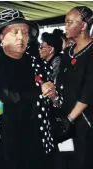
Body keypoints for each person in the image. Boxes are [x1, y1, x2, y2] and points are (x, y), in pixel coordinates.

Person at [0, 8, 59, 169]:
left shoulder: (38, 64)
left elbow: (55, 102)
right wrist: (36, 93)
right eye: (14, 32)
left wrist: (54, 96)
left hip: (37, 141)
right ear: (1, 37)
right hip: (3, 144)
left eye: (25, 32)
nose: (21, 37)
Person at [54, 6, 93, 169]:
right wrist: (54, 97)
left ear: (83, 26)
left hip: (84, 121)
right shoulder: (66, 53)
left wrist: (70, 119)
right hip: (65, 121)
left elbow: (89, 91)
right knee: (64, 160)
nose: (66, 27)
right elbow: (61, 85)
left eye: (69, 23)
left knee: (82, 161)